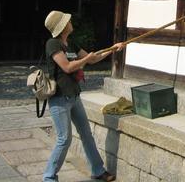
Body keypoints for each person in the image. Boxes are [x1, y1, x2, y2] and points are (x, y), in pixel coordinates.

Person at [42, 10, 125, 182]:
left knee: (86, 134)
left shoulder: (71, 43)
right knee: (64, 139)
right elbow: (67, 67)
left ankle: (98, 170)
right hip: (59, 98)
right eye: (67, 21)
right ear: (62, 26)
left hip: (74, 96)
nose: (70, 21)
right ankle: (49, 177)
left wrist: (113, 49)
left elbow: (92, 58)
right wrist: (86, 59)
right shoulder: (52, 44)